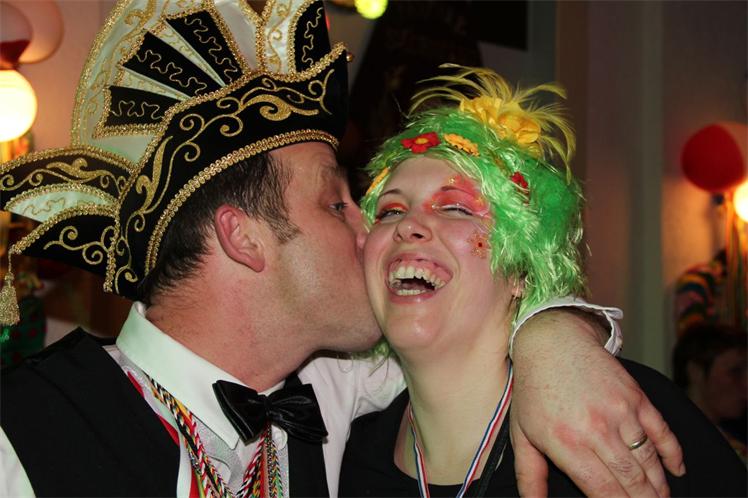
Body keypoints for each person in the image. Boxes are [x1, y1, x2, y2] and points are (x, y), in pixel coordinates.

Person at [0, 1, 681, 496]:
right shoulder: (23, 434)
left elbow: (471, 330)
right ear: (244, 237)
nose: (371, 231)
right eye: (337, 204)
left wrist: (553, 337)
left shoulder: (333, 382)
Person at [340, 66, 747, 497]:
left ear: (520, 269)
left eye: (456, 208)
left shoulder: (618, 416)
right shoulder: (344, 460)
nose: (407, 226)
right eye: (390, 211)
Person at [673, 324, 747, 460]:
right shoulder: (673, 440)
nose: (746, 384)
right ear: (696, 372)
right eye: (735, 372)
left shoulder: (737, 434)